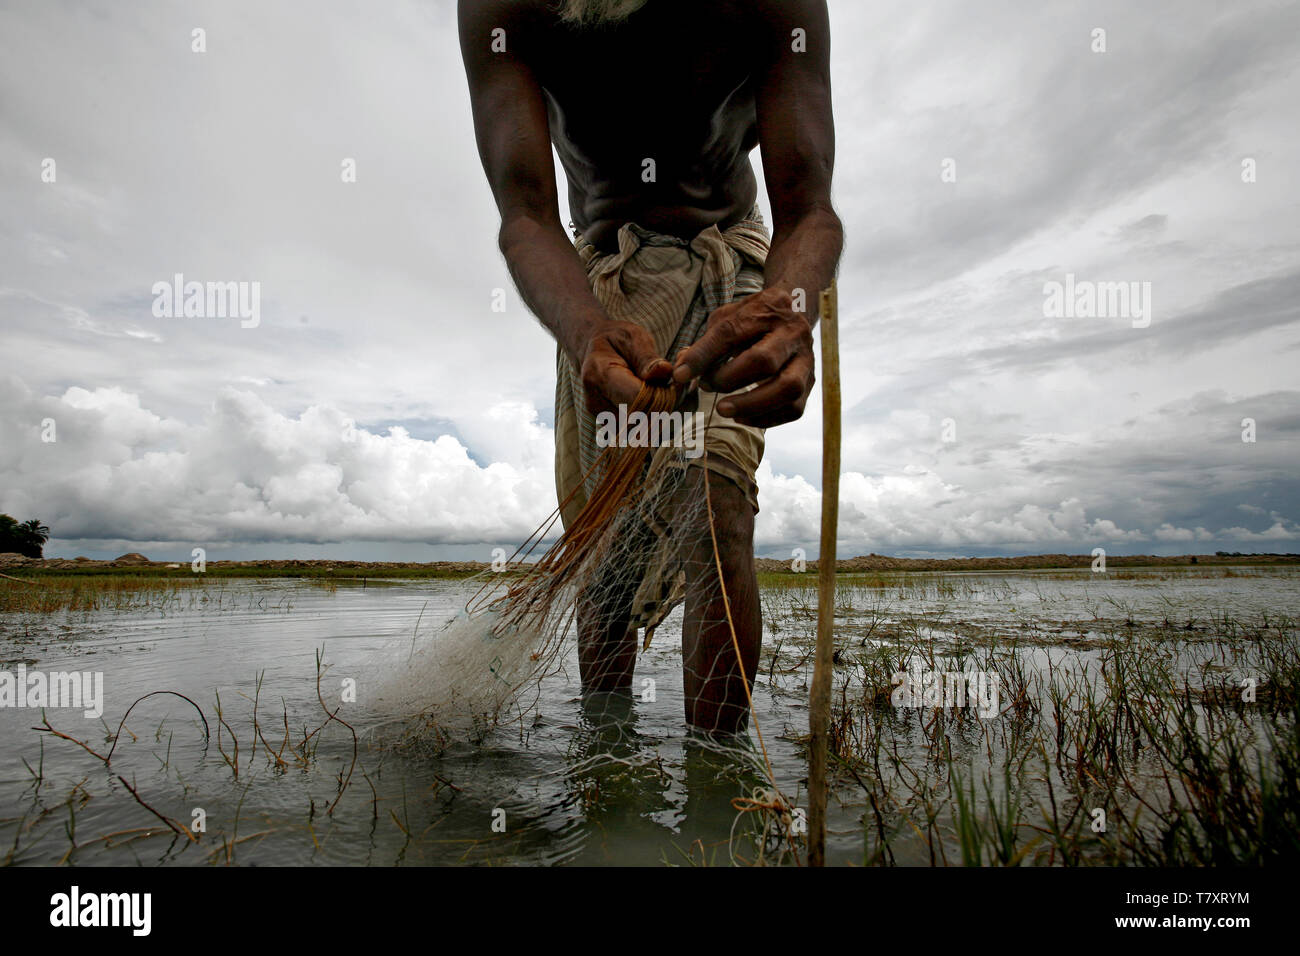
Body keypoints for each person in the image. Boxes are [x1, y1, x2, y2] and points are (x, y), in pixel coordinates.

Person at [459, 0, 843, 733]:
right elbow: (529, 216)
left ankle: (720, 799)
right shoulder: (501, 7)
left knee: (715, 496)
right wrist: (587, 333)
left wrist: (791, 308)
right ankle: (606, 779)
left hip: (733, 265)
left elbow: (809, 211)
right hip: (601, 283)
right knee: (606, 559)